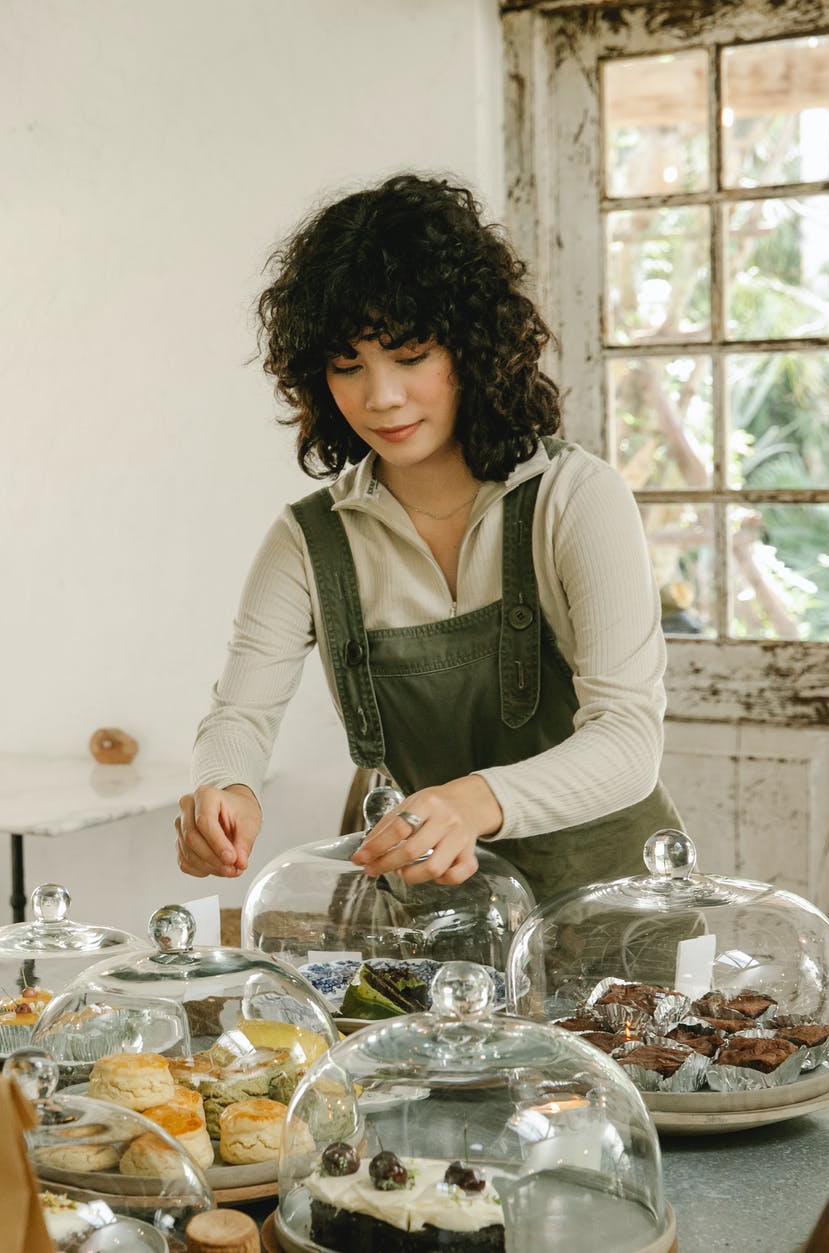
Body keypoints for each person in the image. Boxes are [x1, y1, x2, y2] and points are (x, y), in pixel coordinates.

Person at [175, 174, 679, 902]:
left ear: (473, 348)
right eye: (348, 366)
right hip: (445, 931)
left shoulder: (575, 498)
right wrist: (225, 792)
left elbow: (629, 740)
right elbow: (239, 716)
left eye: (409, 356)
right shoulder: (310, 541)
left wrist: (472, 801)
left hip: (618, 919)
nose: (379, 396)